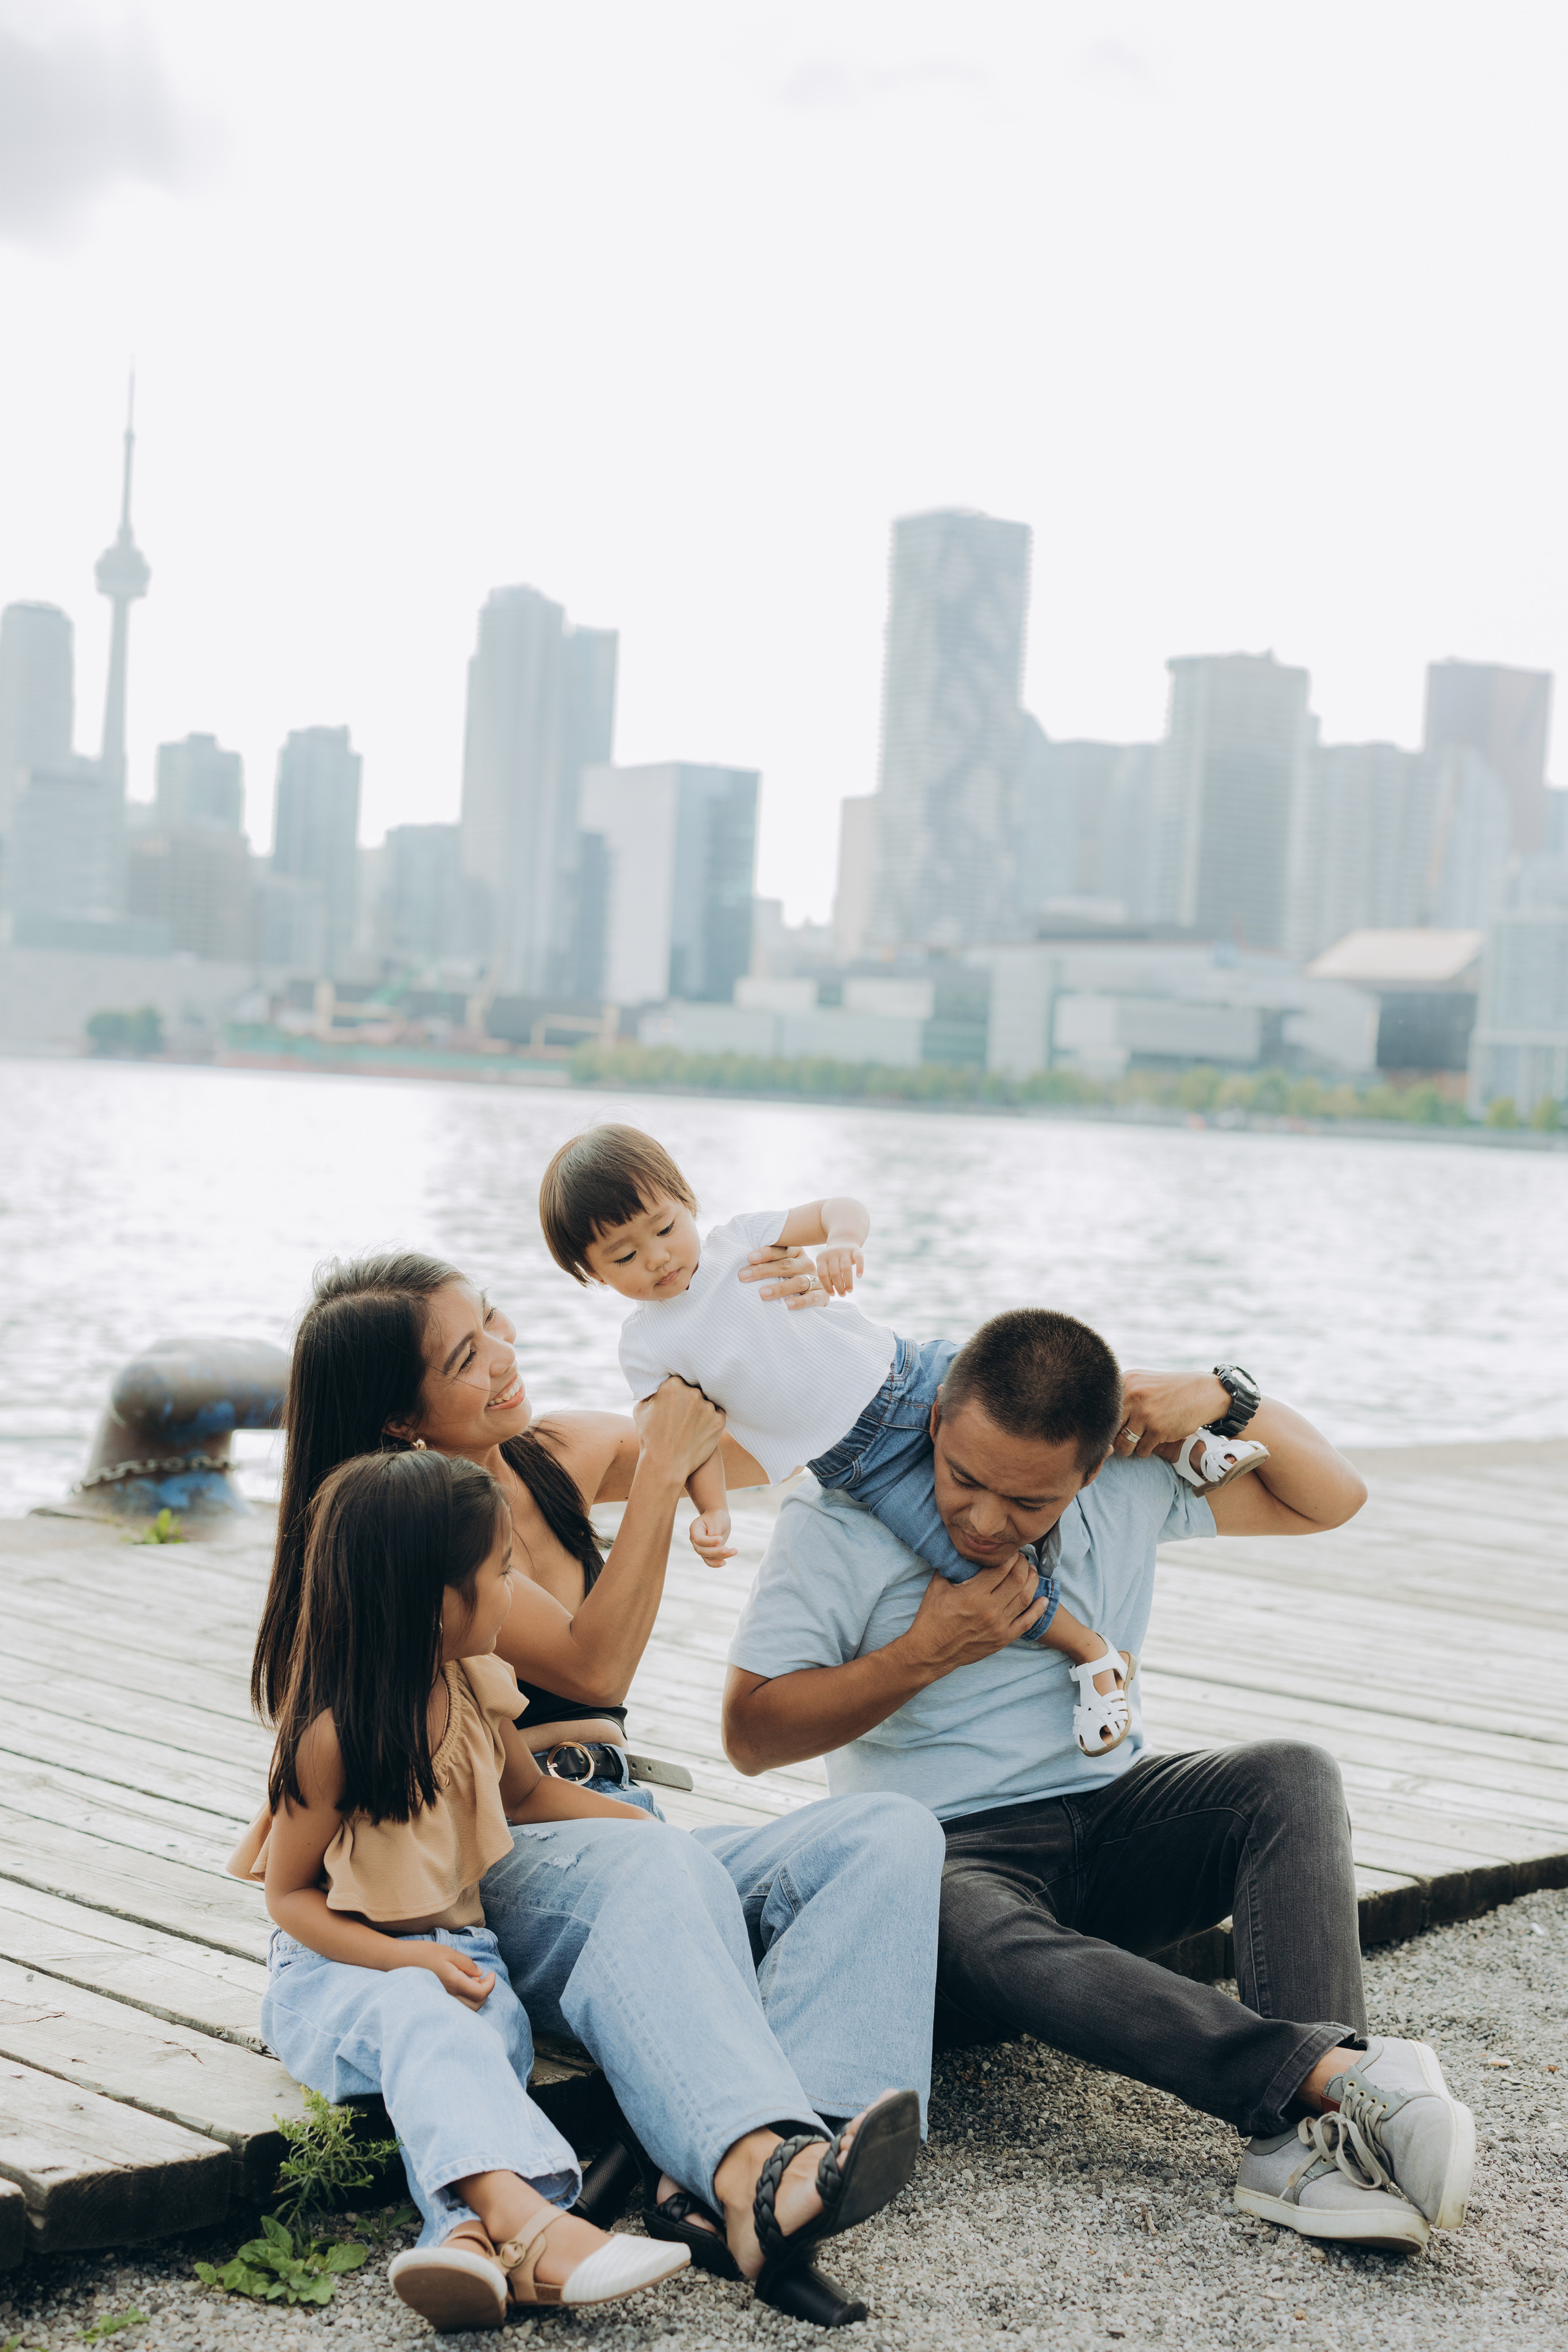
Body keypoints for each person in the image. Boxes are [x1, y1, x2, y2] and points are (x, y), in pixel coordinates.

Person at [248, 1250, 946, 2327]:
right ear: (400, 1422)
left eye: (495, 1324)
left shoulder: (559, 1450)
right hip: (487, 1860)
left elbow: (776, 1435)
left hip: (598, 1822)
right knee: (656, 1860)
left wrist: (809, 1324)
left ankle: (798, 2150)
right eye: (466, 1357)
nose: (504, 1359)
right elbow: (593, 1666)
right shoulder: (396, 1549)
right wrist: (663, 1474)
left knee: (885, 1837)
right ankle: (744, 2163)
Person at [721, 1308, 1477, 2255]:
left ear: (1092, 1470)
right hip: (952, 1865)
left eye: (1030, 1504)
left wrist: (1228, 1397)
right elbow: (750, 1735)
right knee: (936, 1897)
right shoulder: (838, 1518)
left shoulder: (1128, 1484)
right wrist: (919, 1655)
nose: (985, 1519)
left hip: (1111, 1825)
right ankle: (1328, 2079)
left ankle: (1310, 2142)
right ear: (935, 1425)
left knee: (1291, 1776)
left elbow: (1332, 1497)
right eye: (963, 1479)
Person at [537, 1124, 1266, 1757]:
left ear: (687, 1201)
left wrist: (842, 1245)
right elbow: (683, 1437)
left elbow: (842, 1208)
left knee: (1053, 1405)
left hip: (914, 1373)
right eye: (624, 1258)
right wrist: (711, 1508)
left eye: (663, 1229)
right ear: (590, 1275)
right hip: (865, 1465)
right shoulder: (647, 1347)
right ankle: (1093, 1653)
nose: (658, 1259)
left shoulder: (739, 1243)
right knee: (971, 1570)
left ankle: (1193, 1447)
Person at [241, 1445, 690, 2325]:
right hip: (336, 1973)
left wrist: (642, 1830)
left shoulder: (476, 1683)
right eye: (501, 1572)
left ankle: (466, 2246)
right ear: (434, 1602)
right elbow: (288, 1899)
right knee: (423, 2015)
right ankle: (545, 2232)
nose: (515, 1589)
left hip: (466, 1958)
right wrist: (399, 1959)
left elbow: (527, 1795)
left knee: (469, 2059)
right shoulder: (333, 1737)